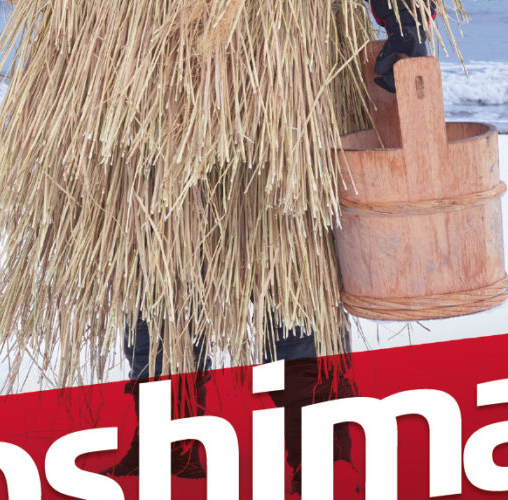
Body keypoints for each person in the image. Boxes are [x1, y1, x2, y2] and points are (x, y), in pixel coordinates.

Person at [101, 0, 432, 492]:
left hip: (282, 61)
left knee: (289, 261)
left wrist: (404, 20)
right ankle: (168, 442)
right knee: (157, 257)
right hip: (149, 55)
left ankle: (321, 451)